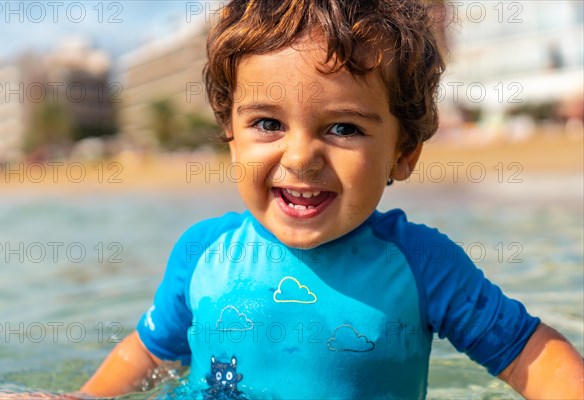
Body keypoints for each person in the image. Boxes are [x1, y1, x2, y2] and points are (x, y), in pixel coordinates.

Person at [78, 0, 584, 398]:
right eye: (268, 124)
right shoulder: (202, 254)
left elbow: (527, 354)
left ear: (402, 152)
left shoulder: (422, 265)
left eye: (343, 127)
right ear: (230, 133)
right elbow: (150, 354)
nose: (300, 157)